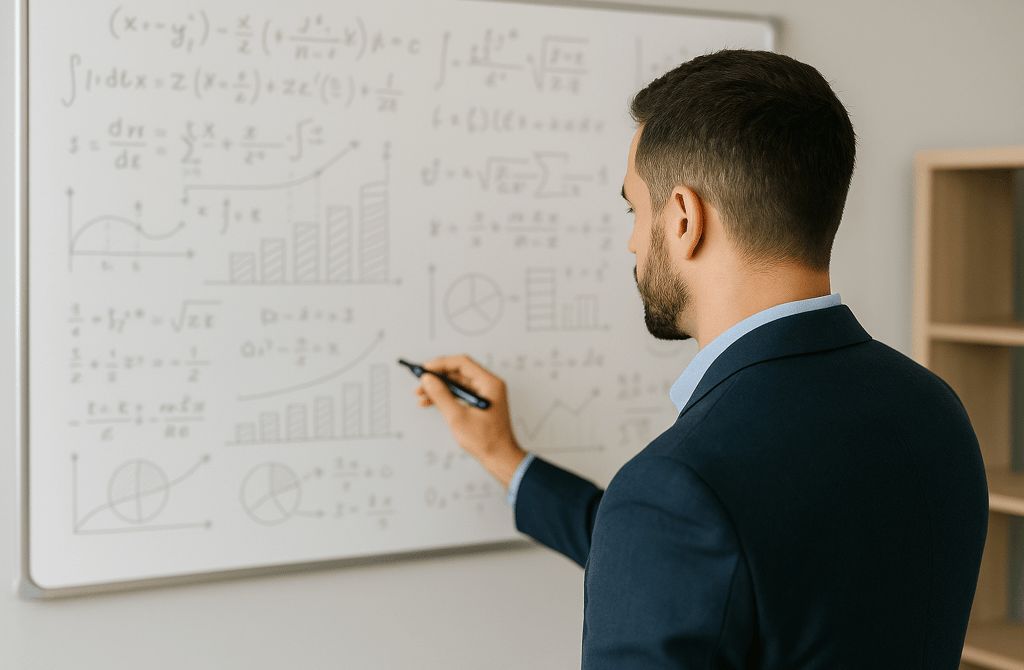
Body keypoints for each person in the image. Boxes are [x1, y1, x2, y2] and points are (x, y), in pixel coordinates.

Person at [414, 50, 988, 668]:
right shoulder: (933, 407)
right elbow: (713, 565)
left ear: (685, 219)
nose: (633, 241)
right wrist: (507, 460)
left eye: (634, 210)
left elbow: (695, 541)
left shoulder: (681, 490)